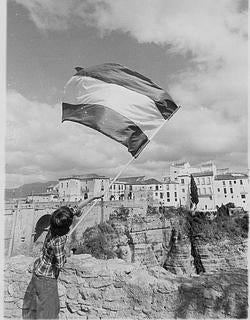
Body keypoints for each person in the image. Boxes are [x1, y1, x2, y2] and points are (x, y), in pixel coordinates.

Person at [22, 194, 103, 319]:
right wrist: (67, 253)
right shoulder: (59, 240)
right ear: (66, 226)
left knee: (46, 310)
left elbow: (76, 207)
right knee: (49, 314)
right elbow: (60, 264)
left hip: (38, 272)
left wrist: (94, 197)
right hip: (46, 279)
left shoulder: (55, 223)